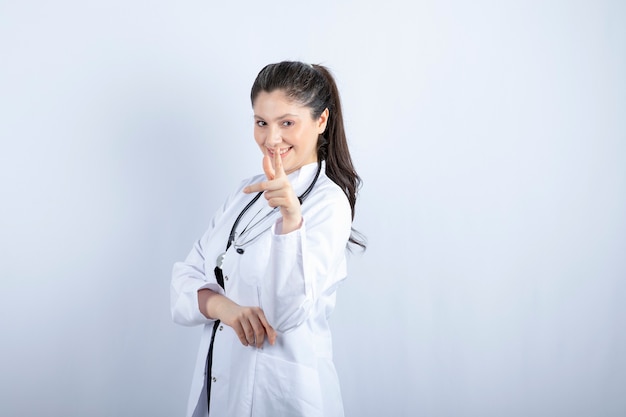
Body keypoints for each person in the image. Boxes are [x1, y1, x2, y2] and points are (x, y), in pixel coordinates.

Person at [170, 60, 365, 417]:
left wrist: (291, 219)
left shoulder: (328, 203)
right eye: (261, 123)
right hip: (222, 392)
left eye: (287, 123)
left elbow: (285, 314)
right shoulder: (245, 193)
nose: (271, 139)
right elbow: (184, 280)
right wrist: (225, 309)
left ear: (321, 121)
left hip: (284, 398)